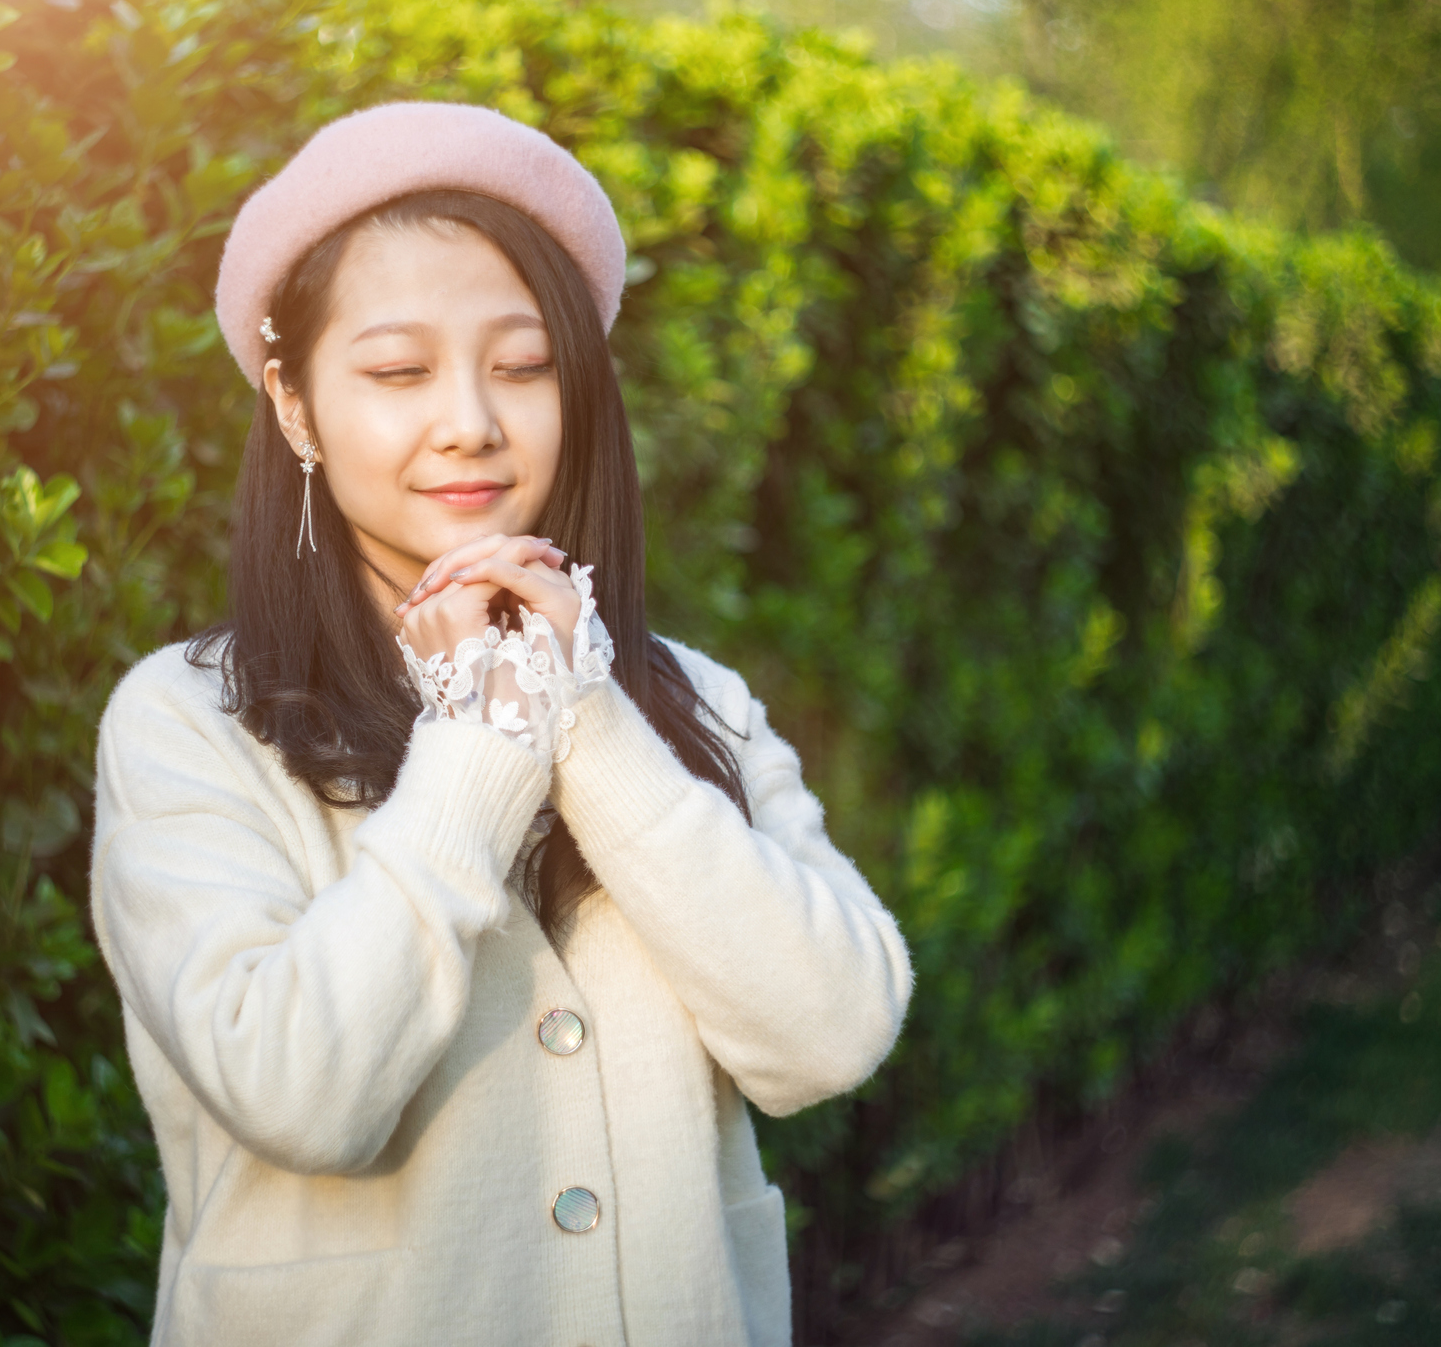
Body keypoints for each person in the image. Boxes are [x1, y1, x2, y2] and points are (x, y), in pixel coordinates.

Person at [88, 101, 912, 1347]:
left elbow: (833, 1029)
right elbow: (299, 1089)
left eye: (522, 366)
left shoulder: (689, 698)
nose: (471, 418)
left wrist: (582, 719)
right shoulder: (188, 720)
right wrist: (479, 744)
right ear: (297, 406)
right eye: (398, 371)